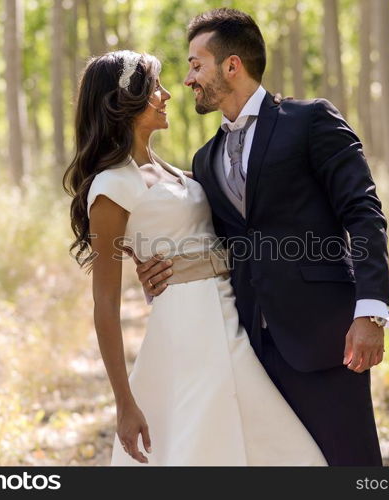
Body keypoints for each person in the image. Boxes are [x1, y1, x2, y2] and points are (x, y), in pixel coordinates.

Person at [135, 8, 389, 466]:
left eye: (197, 64)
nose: (189, 78)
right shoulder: (205, 158)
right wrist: (161, 269)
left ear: (232, 66)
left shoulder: (310, 120)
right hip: (249, 348)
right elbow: (215, 244)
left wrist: (371, 310)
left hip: (327, 338)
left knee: (351, 464)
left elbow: (362, 211)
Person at [63, 49, 327, 465]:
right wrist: (124, 402)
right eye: (156, 88)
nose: (168, 94)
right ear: (125, 102)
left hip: (228, 309)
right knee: (212, 446)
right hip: (188, 330)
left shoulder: (172, 171)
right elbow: (106, 304)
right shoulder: (111, 188)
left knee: (277, 449)